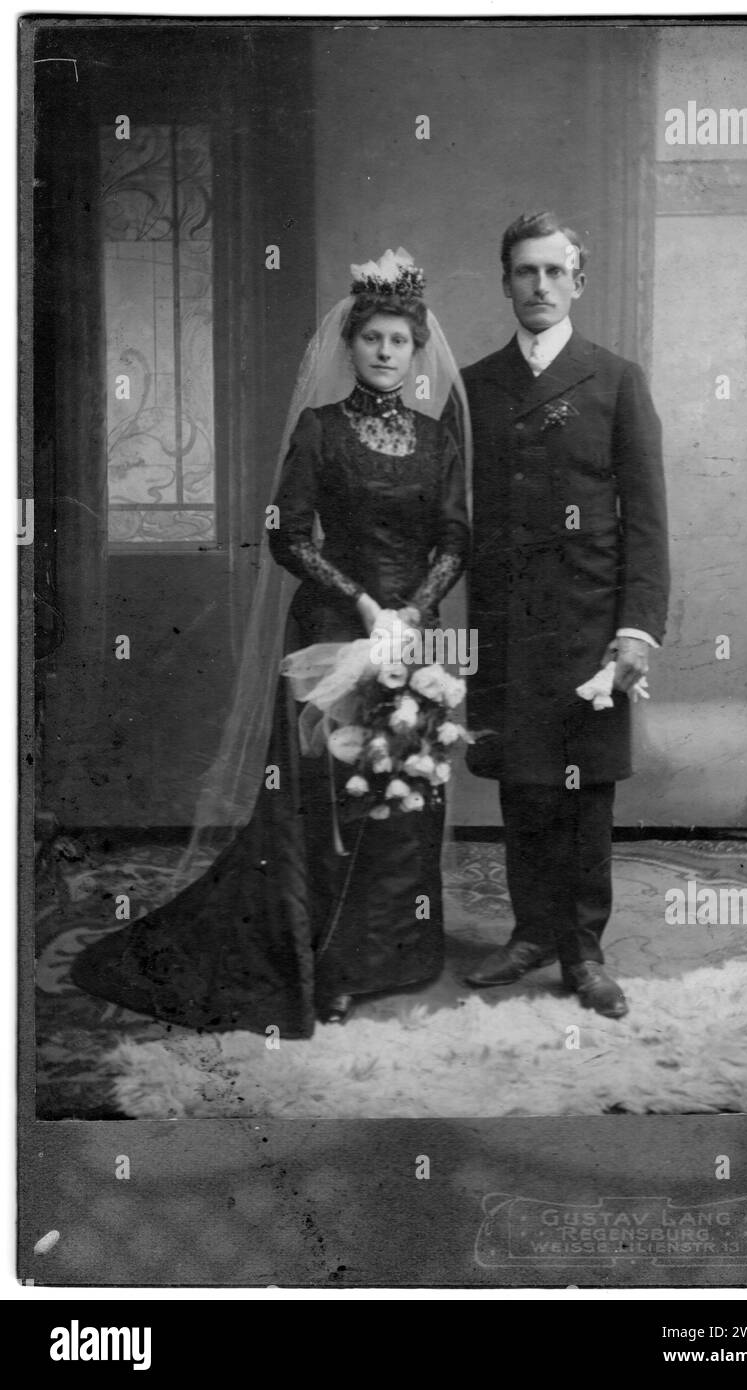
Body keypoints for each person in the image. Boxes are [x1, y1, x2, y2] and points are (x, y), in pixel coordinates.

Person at [70, 249, 470, 1035]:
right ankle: (331, 961)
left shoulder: (436, 440)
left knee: (405, 787)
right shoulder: (321, 432)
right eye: (373, 339)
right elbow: (286, 535)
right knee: (331, 797)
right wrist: (361, 604)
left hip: (409, 640)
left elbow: (456, 541)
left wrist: (409, 617)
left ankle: (396, 953)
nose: (386, 353)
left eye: (399, 341)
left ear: (415, 353)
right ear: (349, 347)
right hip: (330, 634)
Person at [461, 211, 669, 1019]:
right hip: (508, 623)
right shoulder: (476, 385)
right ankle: (530, 931)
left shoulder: (616, 379)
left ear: (578, 281)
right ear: (507, 281)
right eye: (525, 272)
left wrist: (636, 628)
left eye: (555, 271)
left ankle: (583, 949)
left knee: (585, 795)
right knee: (524, 785)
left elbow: (647, 518)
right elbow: (455, 511)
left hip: (590, 622)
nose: (540, 286)